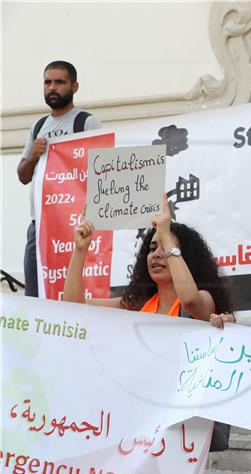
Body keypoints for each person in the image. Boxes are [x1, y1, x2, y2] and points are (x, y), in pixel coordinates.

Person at [63, 195, 232, 320]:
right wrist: (80, 250)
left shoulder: (203, 299)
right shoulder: (136, 304)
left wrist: (165, 235)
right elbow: (75, 307)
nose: (157, 254)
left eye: (165, 248)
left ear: (186, 258)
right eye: (152, 249)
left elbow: (189, 301)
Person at [17, 60, 102, 297]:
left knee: (72, 294)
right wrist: (33, 156)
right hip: (40, 227)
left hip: (74, 227)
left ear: (74, 87)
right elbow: (23, 176)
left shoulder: (86, 122)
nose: (52, 87)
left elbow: (101, 172)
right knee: (35, 297)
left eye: (59, 82)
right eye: (47, 82)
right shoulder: (38, 126)